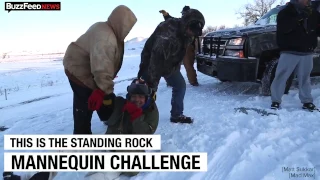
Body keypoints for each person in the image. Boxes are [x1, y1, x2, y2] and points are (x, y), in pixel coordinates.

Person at [63, 5, 137, 134]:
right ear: (121, 23)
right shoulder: (106, 38)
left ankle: (107, 116)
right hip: (79, 70)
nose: (128, 30)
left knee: (98, 97)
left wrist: (103, 89)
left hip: (82, 64)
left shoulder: (105, 27)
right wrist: (103, 90)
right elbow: (101, 69)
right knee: (86, 103)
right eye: (127, 27)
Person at [137, 8, 205, 123]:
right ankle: (136, 120)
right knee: (145, 91)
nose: (192, 34)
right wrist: (153, 86)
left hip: (170, 63)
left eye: (195, 32)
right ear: (186, 24)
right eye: (191, 30)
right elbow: (156, 60)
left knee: (180, 86)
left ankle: (176, 115)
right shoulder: (168, 35)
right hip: (151, 63)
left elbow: (174, 21)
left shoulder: (187, 29)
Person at [83, 79, 159, 179]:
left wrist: (136, 116)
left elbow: (145, 135)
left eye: (141, 97)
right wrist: (101, 95)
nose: (137, 100)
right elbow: (107, 110)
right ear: (129, 96)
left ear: (146, 98)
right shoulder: (120, 103)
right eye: (134, 96)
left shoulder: (152, 112)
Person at [271, 0, 320, 111]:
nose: (307, 1)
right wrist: (300, 17)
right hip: (289, 51)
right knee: (281, 76)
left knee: (305, 78)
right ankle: (275, 101)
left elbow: (317, 30)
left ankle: (307, 101)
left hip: (307, 51)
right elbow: (284, 29)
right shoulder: (285, 12)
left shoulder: (313, 13)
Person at [159, 6, 200, 86]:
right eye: (183, 14)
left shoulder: (194, 22)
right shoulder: (180, 21)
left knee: (188, 65)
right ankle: (172, 82)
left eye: (185, 13)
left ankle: (193, 82)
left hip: (188, 46)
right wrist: (166, 15)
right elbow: (171, 20)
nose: (183, 15)